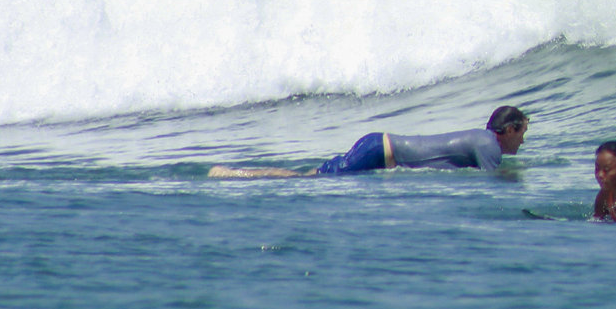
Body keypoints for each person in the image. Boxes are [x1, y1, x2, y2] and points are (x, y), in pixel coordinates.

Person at [208, 105, 529, 178]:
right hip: (379, 150)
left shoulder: (482, 139)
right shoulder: (488, 145)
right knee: (307, 180)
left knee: (313, 176)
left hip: (378, 147)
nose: (523, 142)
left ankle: (235, 172)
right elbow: (494, 183)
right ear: (510, 129)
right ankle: (233, 174)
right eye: (523, 134)